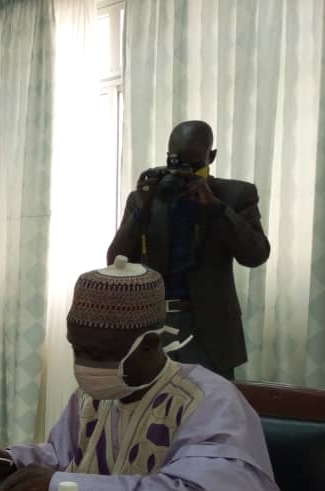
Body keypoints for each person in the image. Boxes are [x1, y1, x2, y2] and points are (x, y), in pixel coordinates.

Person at [0, 258, 292, 491]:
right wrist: (14, 460)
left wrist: (61, 485)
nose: (86, 365)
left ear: (150, 344)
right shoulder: (94, 395)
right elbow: (64, 457)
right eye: (77, 349)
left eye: (99, 353)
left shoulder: (207, 400)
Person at [106, 120, 270, 379]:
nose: (183, 172)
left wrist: (216, 209)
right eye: (176, 161)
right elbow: (116, 261)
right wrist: (141, 211)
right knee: (153, 410)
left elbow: (256, 255)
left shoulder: (235, 194)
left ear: (211, 156)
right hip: (151, 325)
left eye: (193, 164)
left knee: (211, 412)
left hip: (210, 327)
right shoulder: (145, 196)